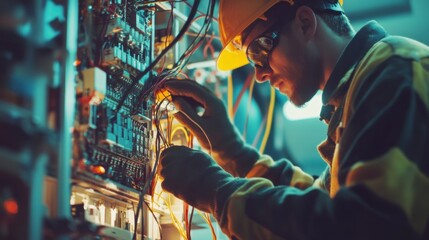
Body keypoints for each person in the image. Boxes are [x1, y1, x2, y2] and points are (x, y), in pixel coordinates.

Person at [159, 0, 429, 239]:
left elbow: (356, 226)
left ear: (304, 23)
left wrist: (217, 192)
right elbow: (320, 200)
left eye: (258, 51)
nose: (260, 74)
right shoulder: (360, 92)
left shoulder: (395, 71)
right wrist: (232, 151)